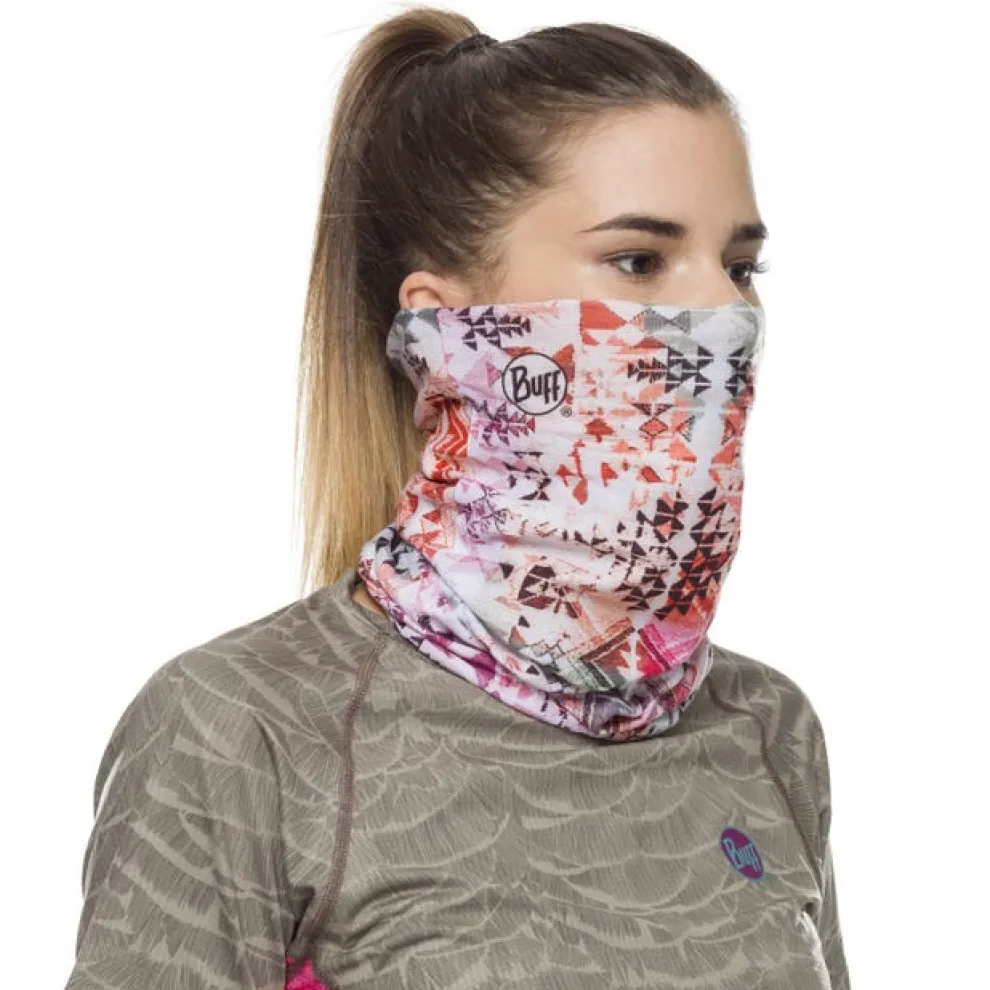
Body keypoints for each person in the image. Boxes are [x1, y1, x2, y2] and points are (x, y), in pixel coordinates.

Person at [64, 6, 851, 989]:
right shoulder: (241, 730)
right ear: (453, 328)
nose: (726, 313)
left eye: (740, 266)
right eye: (639, 260)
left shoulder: (768, 727)